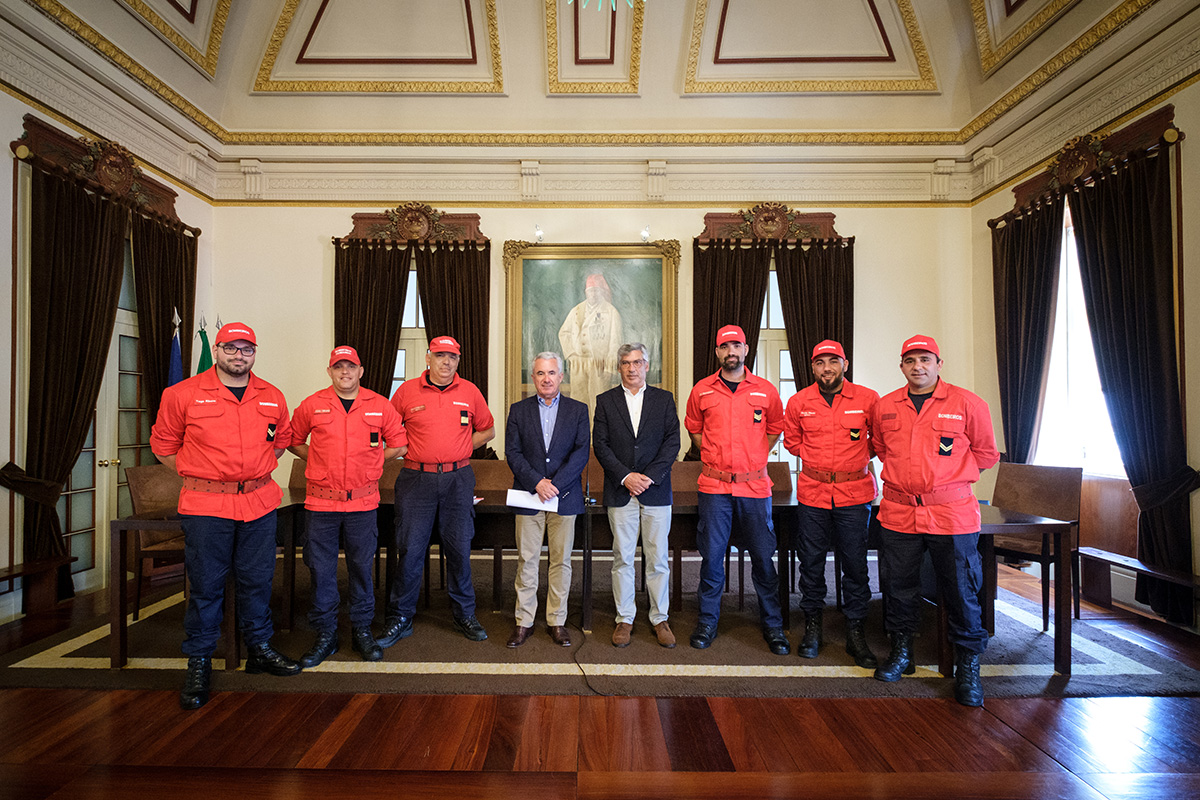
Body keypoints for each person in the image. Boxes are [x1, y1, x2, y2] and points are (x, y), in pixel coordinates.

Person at [150, 322, 300, 710]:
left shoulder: (272, 396)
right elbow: (164, 447)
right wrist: (199, 474)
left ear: (254, 352)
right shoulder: (181, 394)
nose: (239, 356)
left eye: (246, 349)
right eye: (230, 348)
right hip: (206, 506)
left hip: (258, 504)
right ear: (216, 350)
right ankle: (199, 660)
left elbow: (280, 443)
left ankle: (260, 648)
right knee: (206, 586)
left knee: (257, 580)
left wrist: (247, 477)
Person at [871, 335, 999, 707]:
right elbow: (879, 448)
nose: (918, 367)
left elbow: (987, 453)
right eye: (910, 361)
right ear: (902, 367)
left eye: (925, 359)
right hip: (898, 512)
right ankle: (902, 653)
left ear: (939, 364)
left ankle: (968, 666)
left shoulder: (967, 404)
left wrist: (947, 478)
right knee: (899, 586)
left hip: (952, 514)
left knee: (961, 589)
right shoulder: (885, 407)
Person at [288, 346, 408, 667]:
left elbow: (400, 443)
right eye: (338, 367)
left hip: (363, 502)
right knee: (321, 569)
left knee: (360, 567)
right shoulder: (313, 405)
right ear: (329, 371)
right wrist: (317, 459)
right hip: (321, 502)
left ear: (361, 371)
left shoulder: (379, 405)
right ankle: (326, 633)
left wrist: (372, 462)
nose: (345, 372)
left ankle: (361, 630)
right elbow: (292, 439)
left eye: (350, 367)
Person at [381, 336, 496, 646]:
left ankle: (464, 614)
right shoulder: (406, 392)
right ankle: (400, 616)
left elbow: (488, 429)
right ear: (429, 358)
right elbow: (387, 431)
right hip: (416, 481)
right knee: (411, 550)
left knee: (459, 550)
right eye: (441, 356)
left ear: (458, 361)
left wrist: (461, 448)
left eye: (453, 357)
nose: (447, 362)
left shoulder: (470, 391)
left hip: (458, 481)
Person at [683, 324, 790, 656]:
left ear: (746, 350)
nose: (732, 352)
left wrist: (754, 458)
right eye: (725, 347)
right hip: (714, 488)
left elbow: (774, 430)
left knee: (762, 557)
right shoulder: (702, 390)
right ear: (717, 352)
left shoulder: (766, 390)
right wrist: (717, 461)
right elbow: (695, 432)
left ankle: (773, 625)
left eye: (737, 346)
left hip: (755, 487)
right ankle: (708, 621)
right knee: (713, 559)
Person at [782, 340, 879, 668]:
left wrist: (851, 463)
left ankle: (855, 631)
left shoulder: (868, 399)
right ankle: (813, 628)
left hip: (855, 495)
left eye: (833, 361)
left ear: (844, 364)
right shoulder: (798, 402)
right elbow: (793, 442)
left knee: (855, 564)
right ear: (812, 367)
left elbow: (877, 442)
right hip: (813, 493)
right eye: (820, 362)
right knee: (810, 563)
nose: (827, 368)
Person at [593, 342, 680, 648]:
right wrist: (626, 477)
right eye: (627, 363)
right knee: (623, 558)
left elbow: (672, 443)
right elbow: (601, 445)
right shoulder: (605, 401)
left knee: (657, 559)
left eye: (638, 362)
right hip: (620, 491)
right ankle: (624, 618)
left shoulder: (664, 400)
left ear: (647, 365)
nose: (632, 368)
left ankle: (660, 617)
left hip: (656, 491)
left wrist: (649, 477)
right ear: (620, 367)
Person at [504, 352, 591, 648]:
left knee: (560, 561)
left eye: (552, 373)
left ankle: (557, 621)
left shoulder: (579, 410)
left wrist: (554, 484)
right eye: (540, 373)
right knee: (527, 560)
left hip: (564, 497)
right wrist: (537, 482)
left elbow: (581, 453)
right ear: (533, 378)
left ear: (561, 376)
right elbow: (512, 453)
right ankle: (524, 621)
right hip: (529, 495)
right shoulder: (518, 410)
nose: (546, 379)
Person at [558, 272, 623, 419]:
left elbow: (615, 342)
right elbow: (564, 333)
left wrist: (609, 367)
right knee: (578, 400)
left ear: (602, 292)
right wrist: (571, 355)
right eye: (590, 291)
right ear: (585, 292)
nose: (593, 294)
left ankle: (597, 438)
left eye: (596, 291)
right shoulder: (576, 311)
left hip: (599, 365)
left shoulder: (611, 312)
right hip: (579, 364)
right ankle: (579, 437)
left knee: (598, 401)